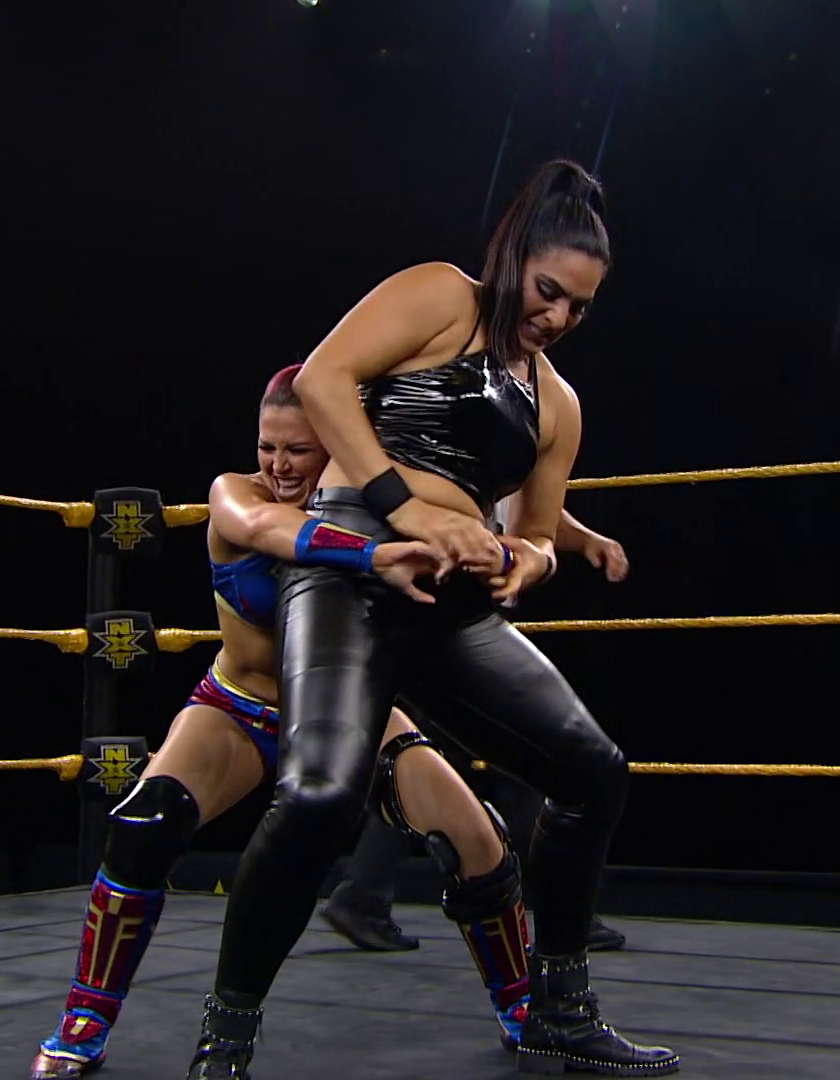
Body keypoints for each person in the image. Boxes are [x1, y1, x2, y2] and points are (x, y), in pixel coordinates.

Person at [187, 160, 678, 1078]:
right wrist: (403, 507)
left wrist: (522, 561)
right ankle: (226, 1036)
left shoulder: (557, 403)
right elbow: (325, 379)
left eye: (579, 307)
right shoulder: (441, 298)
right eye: (548, 291)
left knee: (593, 772)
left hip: (454, 610)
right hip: (354, 571)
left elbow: (538, 533)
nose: (558, 317)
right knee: (321, 795)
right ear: (515, 255)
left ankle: (559, 1010)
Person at [29, 366, 537, 1079]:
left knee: (478, 840)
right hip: (240, 708)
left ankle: (525, 1009)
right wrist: (371, 554)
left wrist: (524, 546)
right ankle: (84, 1020)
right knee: (145, 824)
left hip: (349, 713)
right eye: (268, 446)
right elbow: (267, 526)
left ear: (338, 445)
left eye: (298, 449)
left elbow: (494, 519)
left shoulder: (386, 506)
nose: (279, 465)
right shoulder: (236, 494)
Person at [323, 505, 632, 953]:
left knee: (440, 774)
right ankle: (568, 920)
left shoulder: (508, 470)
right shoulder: (455, 471)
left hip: (467, 623)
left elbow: (536, 514)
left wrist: (587, 541)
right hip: (443, 623)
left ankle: (361, 896)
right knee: (522, 773)